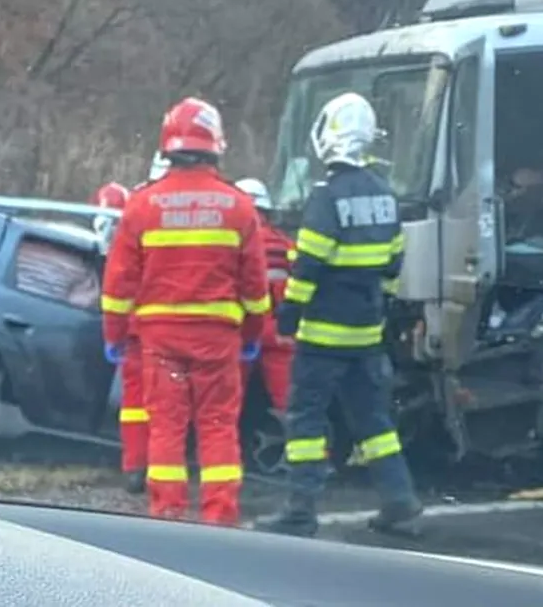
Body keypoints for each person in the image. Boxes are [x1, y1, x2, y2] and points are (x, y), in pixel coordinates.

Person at [255, 92, 423, 538]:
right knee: (374, 421)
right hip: (366, 335)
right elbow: (392, 265)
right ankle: (399, 499)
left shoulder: (327, 197)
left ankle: (300, 510)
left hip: (323, 338)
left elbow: (309, 262)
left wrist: (290, 310)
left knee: (306, 420)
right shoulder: (386, 195)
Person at [101, 97, 270, 525]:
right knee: (217, 426)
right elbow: (255, 288)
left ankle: (167, 515)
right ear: (215, 144)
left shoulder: (141, 206)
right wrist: (252, 336)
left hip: (160, 340)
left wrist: (114, 336)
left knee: (166, 429)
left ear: (167, 146)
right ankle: (220, 517)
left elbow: (117, 286)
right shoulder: (238, 206)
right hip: (218, 340)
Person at [90, 181, 148, 493]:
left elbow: (115, 294)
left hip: (136, 335)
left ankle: (136, 469)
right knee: (168, 409)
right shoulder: (147, 236)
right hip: (154, 333)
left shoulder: (125, 244)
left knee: (136, 404)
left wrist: (114, 336)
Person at [234, 177, 293, 414]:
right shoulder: (285, 243)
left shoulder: (231, 240)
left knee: (223, 406)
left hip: (241, 328)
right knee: (292, 406)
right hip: (279, 330)